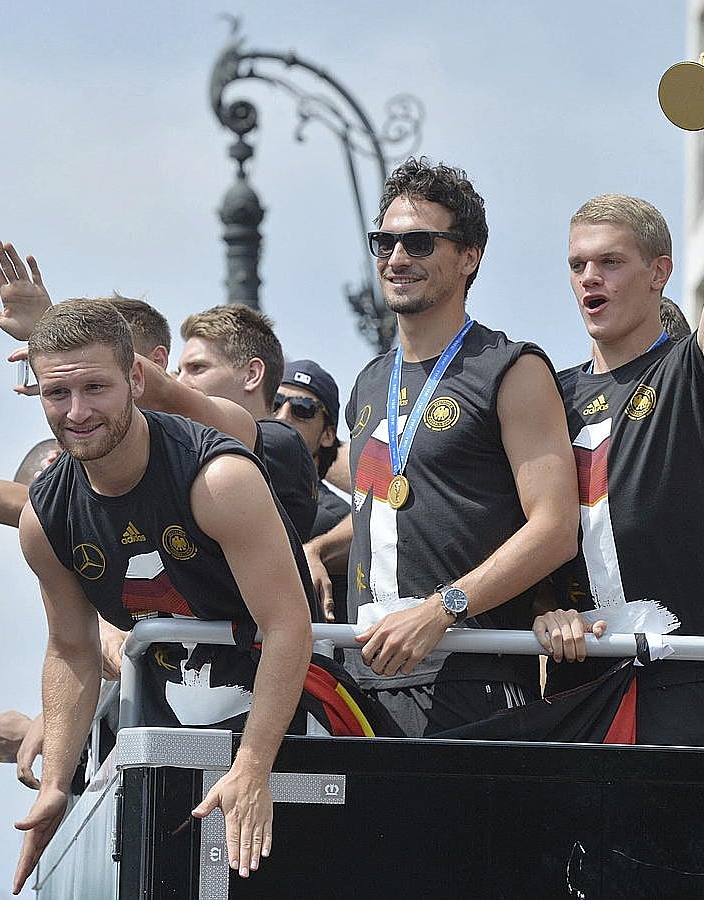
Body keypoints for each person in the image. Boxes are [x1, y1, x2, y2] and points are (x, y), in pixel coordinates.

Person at [10, 299, 312, 893]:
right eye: (56, 395)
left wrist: (253, 764)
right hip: (166, 739)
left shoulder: (217, 478)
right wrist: (56, 786)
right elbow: (72, 648)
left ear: (137, 379)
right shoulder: (44, 518)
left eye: (96, 387)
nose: (77, 413)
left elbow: (288, 627)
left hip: (289, 729)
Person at [534, 52, 704, 748]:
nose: (588, 279)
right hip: (582, 689)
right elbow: (527, 531)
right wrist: (546, 609)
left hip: (687, 684)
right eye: (576, 264)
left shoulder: (687, 376)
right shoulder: (549, 394)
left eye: (609, 262)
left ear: (658, 273)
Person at [312, 157, 578, 738]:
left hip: (468, 667)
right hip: (361, 675)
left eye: (420, 242)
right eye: (386, 241)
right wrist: (316, 551)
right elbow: (388, 513)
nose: (397, 257)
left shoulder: (511, 367)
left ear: (468, 257)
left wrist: (440, 611)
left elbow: (555, 528)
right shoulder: (368, 381)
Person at [178, 305, 319, 540]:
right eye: (178, 370)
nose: (181, 383)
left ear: (252, 375)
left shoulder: (282, 441)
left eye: (197, 368)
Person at [273, 359, 352, 623]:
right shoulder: (227, 490)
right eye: (275, 402)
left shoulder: (337, 520)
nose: (283, 415)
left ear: (328, 435)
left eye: (303, 409)